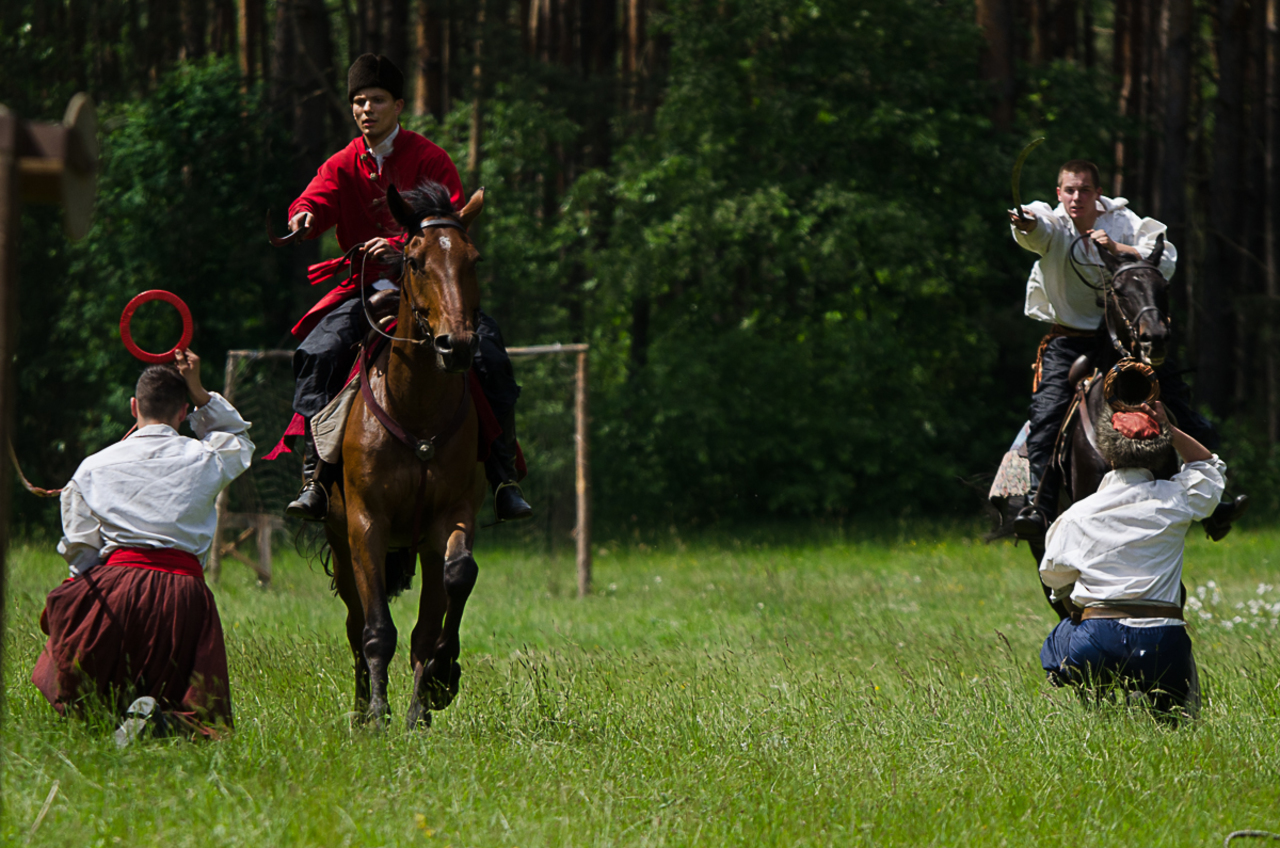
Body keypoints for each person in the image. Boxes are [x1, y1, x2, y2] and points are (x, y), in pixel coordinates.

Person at [282, 53, 530, 523]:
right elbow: (317, 194)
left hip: (432, 291)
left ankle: (503, 478)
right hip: (364, 292)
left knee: (490, 358)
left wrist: (398, 245)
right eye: (358, 102)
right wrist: (304, 213)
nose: (366, 110)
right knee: (317, 353)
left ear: (398, 106)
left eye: (376, 100)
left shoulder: (431, 157)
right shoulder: (342, 163)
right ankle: (314, 477)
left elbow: (451, 228)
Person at [1007, 159, 1243, 539]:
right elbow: (1036, 228)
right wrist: (1026, 224)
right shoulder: (1052, 223)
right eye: (1069, 190)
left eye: (1084, 189)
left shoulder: (1123, 221)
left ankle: (1215, 502)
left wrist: (1118, 247)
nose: (1076, 197)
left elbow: (1162, 259)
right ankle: (1040, 504)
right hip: (1069, 338)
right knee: (1048, 414)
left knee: (1180, 406)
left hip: (1123, 338)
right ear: (1059, 193)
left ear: (1097, 193)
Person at [31, 350, 253, 744]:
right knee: (197, 710)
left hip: (115, 590)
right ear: (184, 412)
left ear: (134, 406)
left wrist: (86, 611)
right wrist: (201, 390)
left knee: (70, 611)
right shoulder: (206, 456)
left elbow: (81, 554)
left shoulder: (93, 465)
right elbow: (238, 438)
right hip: (184, 596)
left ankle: (109, 712)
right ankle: (161, 722)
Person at [1038, 399, 1221, 719]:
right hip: (1162, 643)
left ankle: (1095, 706)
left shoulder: (1076, 515)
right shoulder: (1176, 499)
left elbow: (1053, 576)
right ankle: (1175, 713)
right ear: (1160, 451)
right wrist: (1170, 428)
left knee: (1058, 640)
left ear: (1106, 454)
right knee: (1175, 714)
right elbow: (1208, 467)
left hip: (1096, 642)